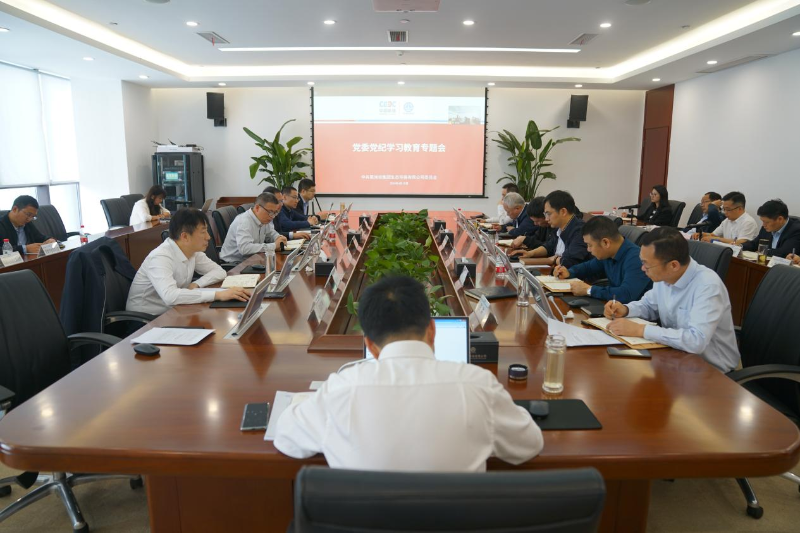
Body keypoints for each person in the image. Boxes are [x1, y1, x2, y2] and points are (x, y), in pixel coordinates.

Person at [274, 275, 543, 471]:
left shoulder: (341, 389)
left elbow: (286, 437)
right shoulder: (477, 385)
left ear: (370, 345)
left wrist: (307, 403)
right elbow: (529, 443)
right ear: (432, 330)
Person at [604, 227, 740, 373]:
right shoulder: (664, 276)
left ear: (673, 265)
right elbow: (649, 305)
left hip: (712, 371)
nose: (643, 268)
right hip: (676, 357)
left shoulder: (708, 286)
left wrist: (640, 330)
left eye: (646, 264)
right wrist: (626, 309)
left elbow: (696, 341)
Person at [126, 208, 250, 315]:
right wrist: (218, 295)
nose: (208, 237)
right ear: (185, 236)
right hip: (145, 320)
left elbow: (219, 272)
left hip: (173, 310)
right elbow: (170, 296)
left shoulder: (192, 251)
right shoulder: (160, 257)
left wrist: (196, 284)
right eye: (203, 232)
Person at [554, 216, 651, 303]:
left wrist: (589, 290)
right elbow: (588, 267)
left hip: (636, 314)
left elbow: (626, 295)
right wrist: (569, 272)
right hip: (615, 307)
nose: (588, 249)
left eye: (590, 245)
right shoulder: (609, 253)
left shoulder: (636, 259)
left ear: (605, 243)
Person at [510, 190, 590, 268]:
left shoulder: (580, 231)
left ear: (563, 212)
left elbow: (568, 261)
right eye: (545, 214)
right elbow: (548, 246)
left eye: (548, 214)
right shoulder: (559, 228)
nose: (546, 219)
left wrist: (554, 259)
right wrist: (530, 253)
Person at [220, 192, 288, 263]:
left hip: (253, 259)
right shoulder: (244, 221)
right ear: (257, 208)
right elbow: (245, 248)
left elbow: (270, 233)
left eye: (275, 213)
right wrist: (274, 246)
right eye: (270, 212)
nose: (272, 216)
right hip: (235, 264)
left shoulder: (264, 219)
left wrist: (279, 238)